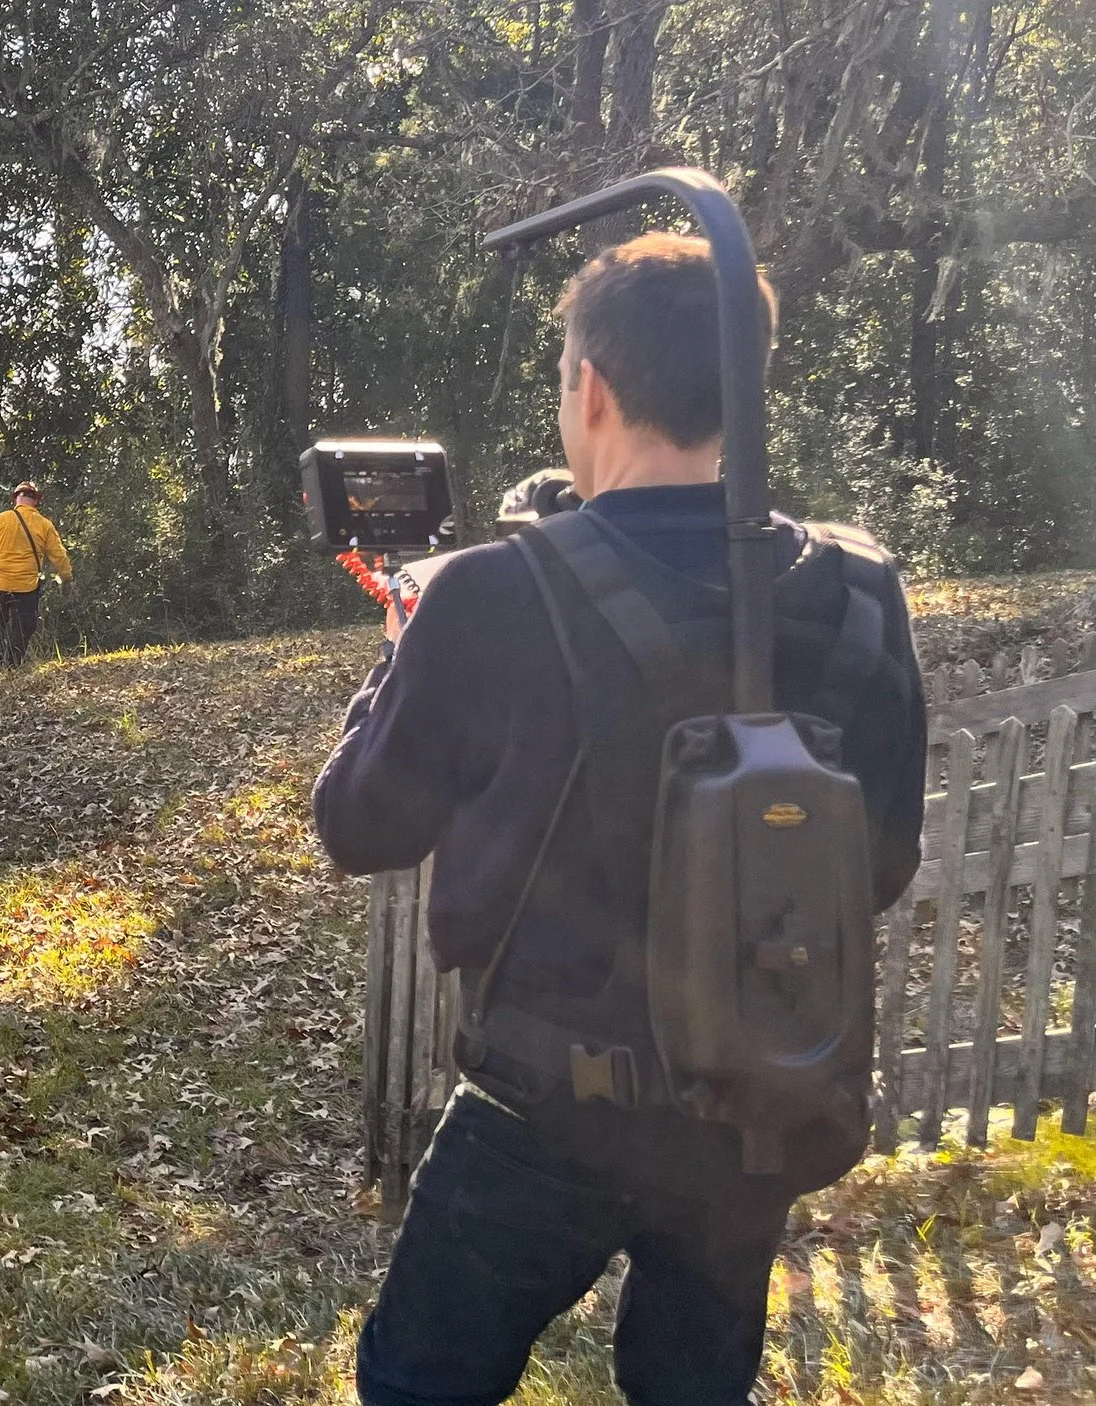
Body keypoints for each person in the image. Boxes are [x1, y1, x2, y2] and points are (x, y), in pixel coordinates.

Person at [314, 233, 927, 1405]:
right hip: (754, 1105)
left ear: (588, 386)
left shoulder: (493, 592)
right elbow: (879, 858)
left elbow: (359, 825)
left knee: (418, 1382)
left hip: (542, 1111)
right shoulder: (861, 585)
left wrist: (396, 663)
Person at [0, 482, 73, 669]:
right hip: (27, 588)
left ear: (15, 499)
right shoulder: (44, 525)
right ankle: (13, 667)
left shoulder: (0, 520)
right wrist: (67, 578)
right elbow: (59, 556)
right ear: (37, 501)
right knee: (23, 629)